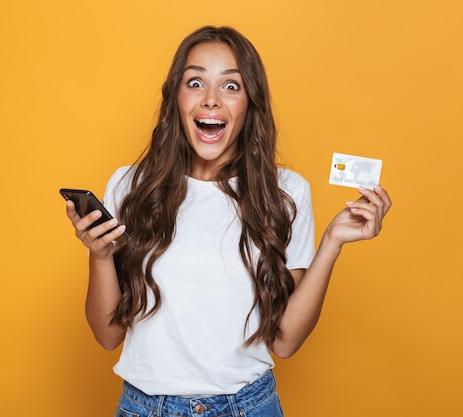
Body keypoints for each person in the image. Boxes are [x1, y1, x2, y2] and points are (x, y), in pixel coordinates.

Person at [64, 25, 391, 417]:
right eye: (196, 82)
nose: (212, 100)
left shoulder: (285, 192)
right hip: (144, 407)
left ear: (250, 102)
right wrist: (99, 255)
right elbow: (106, 335)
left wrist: (332, 242)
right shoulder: (131, 186)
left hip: (248, 407)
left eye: (231, 86)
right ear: (176, 98)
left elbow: (285, 342)